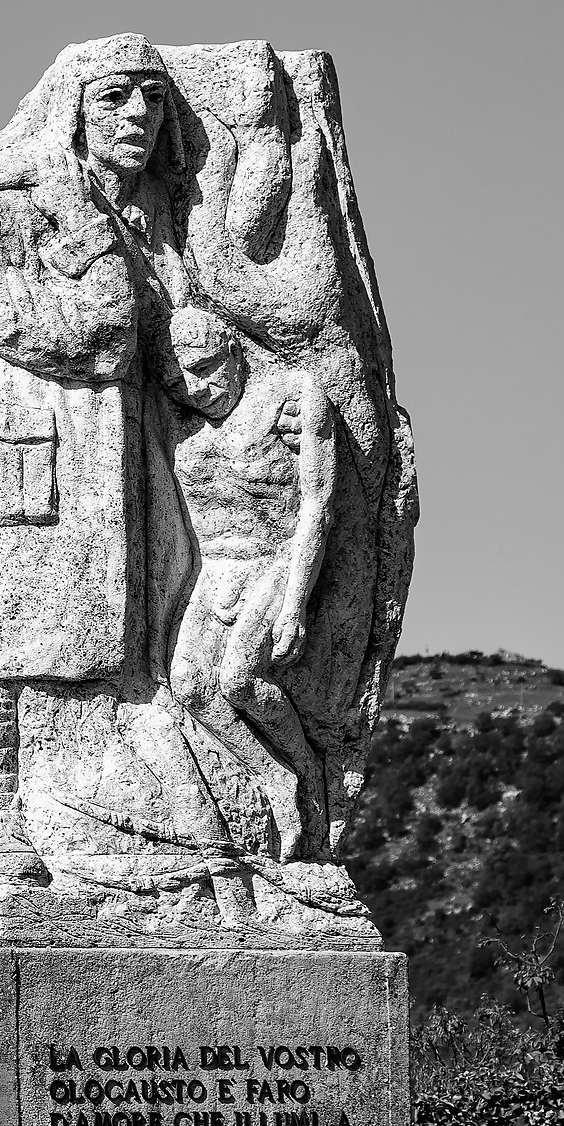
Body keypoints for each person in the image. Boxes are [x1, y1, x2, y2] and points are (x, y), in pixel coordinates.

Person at [0, 34, 201, 886]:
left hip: (107, 461)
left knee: (88, 642)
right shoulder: (3, 198)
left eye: (154, 99)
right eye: (116, 95)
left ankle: (72, 820)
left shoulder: (151, 222)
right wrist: (116, 313)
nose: (138, 116)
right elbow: (33, 323)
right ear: (71, 108)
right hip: (14, 445)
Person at [160, 307, 336, 860]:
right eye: (183, 379)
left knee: (238, 679)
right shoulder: (179, 421)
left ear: (235, 351)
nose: (199, 389)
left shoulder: (298, 398)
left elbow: (318, 505)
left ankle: (307, 772)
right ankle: (273, 779)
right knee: (189, 686)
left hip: (274, 560)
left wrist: (296, 604)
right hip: (214, 569)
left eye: (208, 370)